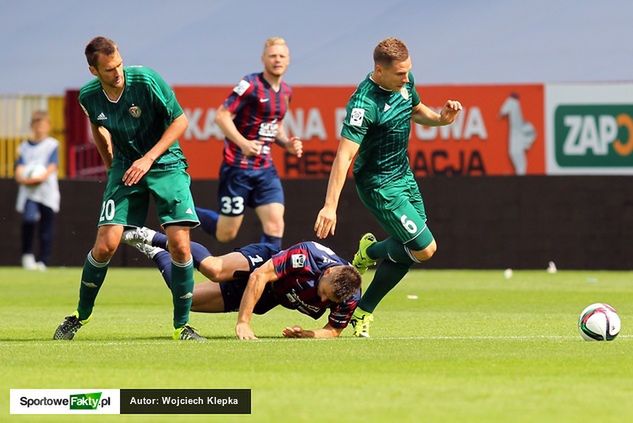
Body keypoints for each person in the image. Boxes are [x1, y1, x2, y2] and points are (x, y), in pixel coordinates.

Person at [53, 36, 203, 341]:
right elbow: (98, 126)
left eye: (119, 64)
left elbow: (181, 121)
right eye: (109, 69)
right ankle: (79, 316)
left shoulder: (146, 80)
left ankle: (181, 326)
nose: (117, 73)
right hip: (125, 165)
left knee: (180, 245)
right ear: (94, 71)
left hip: (165, 163)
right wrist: (110, 164)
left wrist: (148, 159)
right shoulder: (88, 96)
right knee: (106, 244)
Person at [314, 37, 462, 338]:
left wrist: (441, 119)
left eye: (408, 71)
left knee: (412, 249)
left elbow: (416, 110)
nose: (406, 78)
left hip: (404, 176)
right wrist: (330, 205)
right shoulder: (363, 104)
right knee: (425, 248)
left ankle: (364, 299)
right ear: (379, 71)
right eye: (400, 74)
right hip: (379, 184)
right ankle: (370, 261)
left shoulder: (404, 83)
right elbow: (344, 156)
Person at [122, 227, 361, 339]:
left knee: (187, 298)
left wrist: (307, 334)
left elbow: (333, 331)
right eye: (324, 292)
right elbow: (259, 276)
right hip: (265, 264)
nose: (322, 301)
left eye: (329, 301)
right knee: (214, 269)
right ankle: (154, 237)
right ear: (328, 272)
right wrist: (244, 322)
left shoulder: (349, 295)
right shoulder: (307, 256)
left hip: (269, 296)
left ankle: (154, 252)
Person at [195, 37, 303, 250]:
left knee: (275, 224)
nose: (277, 60)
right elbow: (221, 116)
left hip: (265, 170)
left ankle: (266, 276)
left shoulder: (287, 92)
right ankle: (184, 211)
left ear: (289, 60)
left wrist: (286, 144)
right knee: (226, 234)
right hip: (238, 169)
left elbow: (275, 126)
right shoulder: (250, 84)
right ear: (263, 59)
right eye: (272, 56)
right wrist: (243, 143)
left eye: (282, 56)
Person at [14, 111, 61, 271]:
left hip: (47, 192)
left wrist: (39, 178)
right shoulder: (23, 147)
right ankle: (27, 255)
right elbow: (19, 168)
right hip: (29, 192)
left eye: (42, 125)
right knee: (29, 220)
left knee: (46, 227)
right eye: (36, 125)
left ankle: (43, 261)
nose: (39, 128)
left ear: (48, 126)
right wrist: (23, 178)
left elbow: (52, 166)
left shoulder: (52, 145)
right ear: (31, 126)